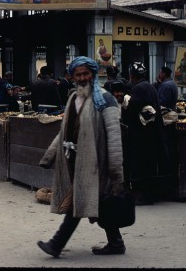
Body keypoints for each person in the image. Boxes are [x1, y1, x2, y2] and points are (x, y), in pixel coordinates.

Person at [37, 56, 126, 258]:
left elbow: (114, 136)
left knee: (80, 201)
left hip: (97, 164)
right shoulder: (73, 98)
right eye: (78, 74)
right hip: (75, 161)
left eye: (86, 73)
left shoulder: (106, 99)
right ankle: (116, 243)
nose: (83, 77)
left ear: (93, 74)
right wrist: (49, 155)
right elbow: (64, 131)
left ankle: (56, 244)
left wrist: (115, 169)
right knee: (99, 204)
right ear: (73, 77)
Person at [123, 62, 171, 205]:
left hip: (142, 136)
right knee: (150, 165)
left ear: (132, 75)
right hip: (153, 134)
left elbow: (133, 109)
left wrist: (126, 104)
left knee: (141, 165)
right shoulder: (150, 86)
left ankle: (143, 196)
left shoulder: (138, 88)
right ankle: (152, 195)